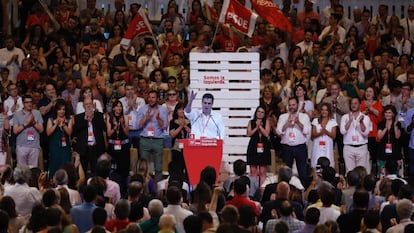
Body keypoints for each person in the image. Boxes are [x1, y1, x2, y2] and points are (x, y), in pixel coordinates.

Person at [276, 97, 311, 186]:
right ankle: (286, 191)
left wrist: (298, 122)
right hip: (287, 147)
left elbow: (307, 131)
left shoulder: (304, 117)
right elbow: (278, 131)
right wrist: (287, 123)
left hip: (300, 147)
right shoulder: (282, 117)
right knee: (286, 173)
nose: (291, 107)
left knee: (303, 172)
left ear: (297, 105)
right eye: (290, 105)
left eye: (293, 105)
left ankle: (303, 193)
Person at [137, 90, 168, 182]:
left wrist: (158, 118)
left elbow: (164, 126)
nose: (151, 99)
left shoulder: (162, 109)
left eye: (153, 97)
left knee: (158, 167)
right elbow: (138, 125)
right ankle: (144, 186)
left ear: (157, 99)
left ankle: (157, 187)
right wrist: (146, 118)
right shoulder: (142, 109)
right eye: (149, 97)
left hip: (158, 140)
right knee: (143, 167)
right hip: (145, 140)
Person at [72, 97, 106, 174]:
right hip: (84, 148)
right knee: (83, 171)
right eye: (86, 104)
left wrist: (92, 119)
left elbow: (103, 127)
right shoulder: (78, 117)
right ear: (83, 106)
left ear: (93, 105)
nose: (88, 106)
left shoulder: (99, 115)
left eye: (90, 104)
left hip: (96, 147)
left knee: (96, 170)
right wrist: (85, 120)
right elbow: (75, 130)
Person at [340, 97, 373, 173]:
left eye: (355, 103)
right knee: (349, 172)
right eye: (352, 103)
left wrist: (361, 122)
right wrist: (350, 121)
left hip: (361, 147)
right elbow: (342, 131)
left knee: (361, 172)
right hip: (348, 147)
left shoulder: (365, 118)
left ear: (360, 105)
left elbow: (366, 133)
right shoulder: (345, 117)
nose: (353, 105)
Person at [13, 94, 43, 167]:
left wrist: (33, 123)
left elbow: (41, 130)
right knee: (22, 171)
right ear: (23, 103)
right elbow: (15, 131)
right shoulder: (17, 114)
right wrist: (26, 124)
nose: (29, 104)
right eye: (27, 102)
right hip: (21, 146)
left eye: (30, 102)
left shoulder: (37, 113)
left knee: (33, 170)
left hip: (34, 146)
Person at [46, 99, 74, 178]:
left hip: (65, 148)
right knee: (55, 164)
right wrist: (56, 124)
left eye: (63, 109)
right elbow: (48, 132)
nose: (62, 111)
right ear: (56, 110)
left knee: (65, 164)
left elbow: (69, 132)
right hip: (55, 147)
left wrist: (64, 125)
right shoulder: (51, 120)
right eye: (59, 109)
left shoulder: (69, 120)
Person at [246, 106, 271, 185]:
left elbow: (266, 134)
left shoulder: (267, 122)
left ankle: (262, 189)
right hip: (253, 146)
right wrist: (256, 127)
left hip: (263, 146)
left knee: (262, 171)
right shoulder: (251, 122)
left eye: (262, 112)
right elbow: (248, 133)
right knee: (253, 171)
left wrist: (260, 126)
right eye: (258, 111)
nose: (260, 114)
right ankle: (254, 188)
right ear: (256, 112)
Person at [106, 100, 129, 179]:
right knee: (113, 167)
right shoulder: (109, 118)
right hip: (113, 145)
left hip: (123, 145)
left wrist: (122, 124)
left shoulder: (125, 117)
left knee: (123, 167)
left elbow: (126, 133)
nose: (119, 108)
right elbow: (109, 134)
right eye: (117, 106)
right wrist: (115, 127)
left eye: (120, 106)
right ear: (113, 108)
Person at [377, 105, 402, 173]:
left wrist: (394, 126)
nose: (387, 114)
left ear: (393, 114)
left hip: (395, 151)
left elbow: (397, 136)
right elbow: (379, 136)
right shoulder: (381, 124)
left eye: (389, 112)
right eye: (386, 112)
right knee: (383, 172)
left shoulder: (397, 124)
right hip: (383, 151)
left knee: (394, 172)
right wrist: (385, 128)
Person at [311, 103, 337, 168]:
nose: (324, 112)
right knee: (317, 165)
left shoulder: (332, 122)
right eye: (322, 110)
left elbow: (334, 136)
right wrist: (320, 133)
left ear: (329, 111)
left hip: (327, 147)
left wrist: (326, 132)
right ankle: (317, 176)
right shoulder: (315, 121)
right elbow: (313, 135)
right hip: (317, 147)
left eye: (326, 110)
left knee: (328, 164)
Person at [169, 103, 191, 175]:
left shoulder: (188, 121)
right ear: (176, 111)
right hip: (176, 147)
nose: (182, 111)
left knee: (187, 168)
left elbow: (191, 132)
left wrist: (185, 126)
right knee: (177, 168)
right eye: (180, 109)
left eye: (183, 109)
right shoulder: (173, 121)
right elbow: (172, 134)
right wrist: (180, 126)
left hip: (187, 147)